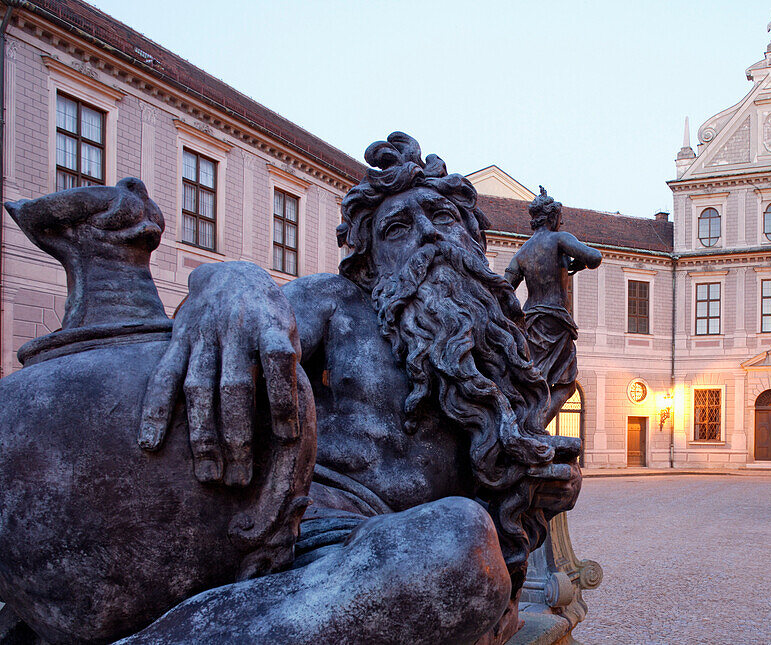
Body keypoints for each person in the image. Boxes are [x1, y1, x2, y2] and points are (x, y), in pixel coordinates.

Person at [128, 133, 580, 644]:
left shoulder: (490, 339)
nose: (429, 234)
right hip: (318, 533)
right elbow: (258, 320)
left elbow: (529, 421)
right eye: (399, 227)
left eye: (444, 218)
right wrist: (230, 279)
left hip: (417, 546)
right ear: (370, 258)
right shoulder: (337, 301)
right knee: (458, 542)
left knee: (463, 542)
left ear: (472, 242)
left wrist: (541, 485)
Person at [505, 188, 602, 421]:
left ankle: (525, 429)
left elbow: (504, 289)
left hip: (530, 321)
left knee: (535, 381)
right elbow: (595, 257)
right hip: (555, 321)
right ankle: (534, 429)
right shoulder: (560, 239)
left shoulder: (522, 252)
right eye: (560, 216)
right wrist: (579, 262)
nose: (563, 221)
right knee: (566, 384)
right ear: (552, 217)